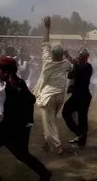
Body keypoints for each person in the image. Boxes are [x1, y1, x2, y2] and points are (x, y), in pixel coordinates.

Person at [0, 57, 51, 181]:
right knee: (21, 154)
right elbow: (31, 99)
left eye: (0, 71)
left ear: (7, 72)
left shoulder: (14, 85)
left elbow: (29, 101)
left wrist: (25, 124)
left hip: (12, 127)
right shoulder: (17, 83)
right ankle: (44, 173)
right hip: (16, 126)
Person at [34, 16, 72, 155]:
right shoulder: (66, 64)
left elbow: (45, 42)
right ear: (62, 55)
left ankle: (57, 147)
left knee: (49, 121)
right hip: (60, 97)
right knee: (50, 120)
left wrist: (47, 28)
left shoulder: (47, 61)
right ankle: (46, 143)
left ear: (52, 54)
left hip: (48, 96)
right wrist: (68, 56)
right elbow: (73, 67)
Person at [62, 48, 93, 148]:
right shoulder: (84, 66)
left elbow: (73, 74)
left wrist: (69, 58)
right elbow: (74, 65)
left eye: (80, 57)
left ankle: (80, 136)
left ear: (84, 58)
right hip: (81, 96)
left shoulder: (85, 67)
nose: (78, 58)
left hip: (80, 96)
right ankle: (80, 138)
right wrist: (68, 56)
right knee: (80, 118)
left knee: (69, 114)